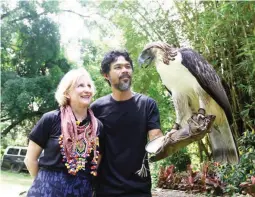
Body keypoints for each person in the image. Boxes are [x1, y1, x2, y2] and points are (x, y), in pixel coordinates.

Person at [90, 50, 163, 197]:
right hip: (105, 189)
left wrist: (173, 138)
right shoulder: (96, 108)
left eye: (128, 66)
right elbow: (93, 150)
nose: (125, 70)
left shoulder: (147, 104)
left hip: (139, 189)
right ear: (106, 75)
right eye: (118, 67)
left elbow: (156, 140)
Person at [25, 68, 102, 197]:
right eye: (80, 85)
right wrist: (43, 183)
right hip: (46, 190)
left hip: (81, 191)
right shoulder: (51, 119)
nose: (87, 90)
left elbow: (98, 160)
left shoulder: (98, 126)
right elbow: (30, 159)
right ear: (67, 92)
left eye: (89, 86)